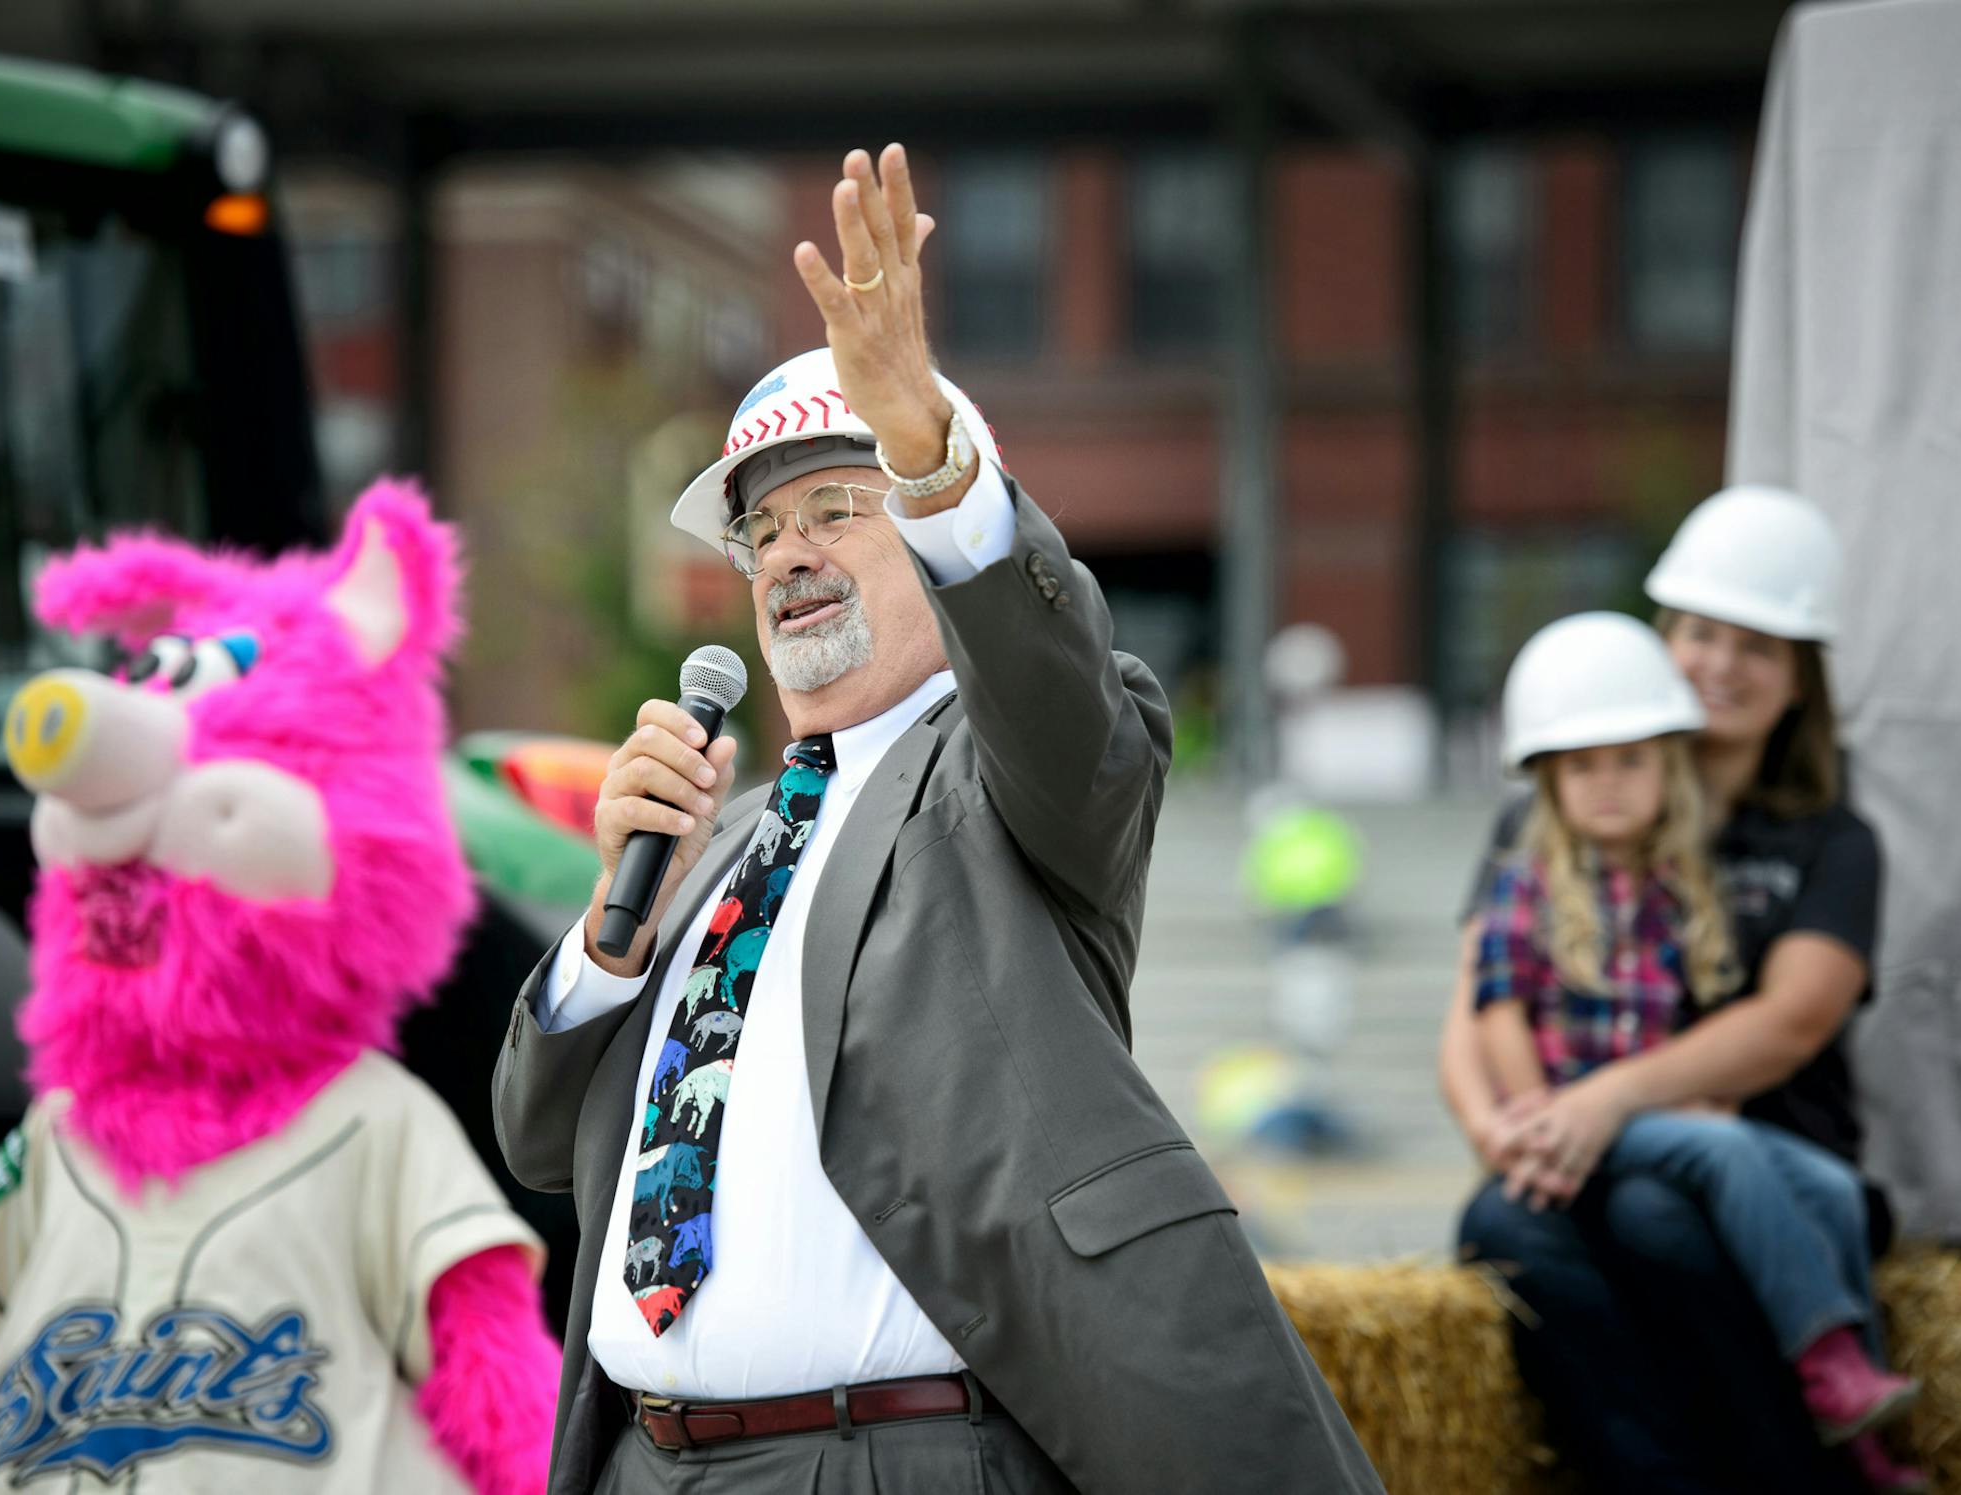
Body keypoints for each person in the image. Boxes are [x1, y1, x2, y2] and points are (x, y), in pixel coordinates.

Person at [492, 144, 1382, 1495]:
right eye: (762, 531)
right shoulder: (715, 844)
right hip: (648, 1456)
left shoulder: (1009, 773)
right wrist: (613, 944)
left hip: (891, 1455)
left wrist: (928, 454)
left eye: (837, 509)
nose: (788, 552)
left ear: (922, 524)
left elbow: (1059, 700)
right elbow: (535, 1140)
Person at [1439, 486, 1893, 1495]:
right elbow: (1476, 1010)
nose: (1721, 666)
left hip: (1761, 1163)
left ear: (1800, 682)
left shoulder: (1827, 838)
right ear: (1661, 640)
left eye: (1759, 646)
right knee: (1501, 1226)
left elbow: (1793, 1020)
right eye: (1699, 634)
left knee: (1656, 1216)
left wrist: (1597, 1103)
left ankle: (1797, 1470)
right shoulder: (1558, 809)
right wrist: (1510, 1129)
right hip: (1574, 1152)